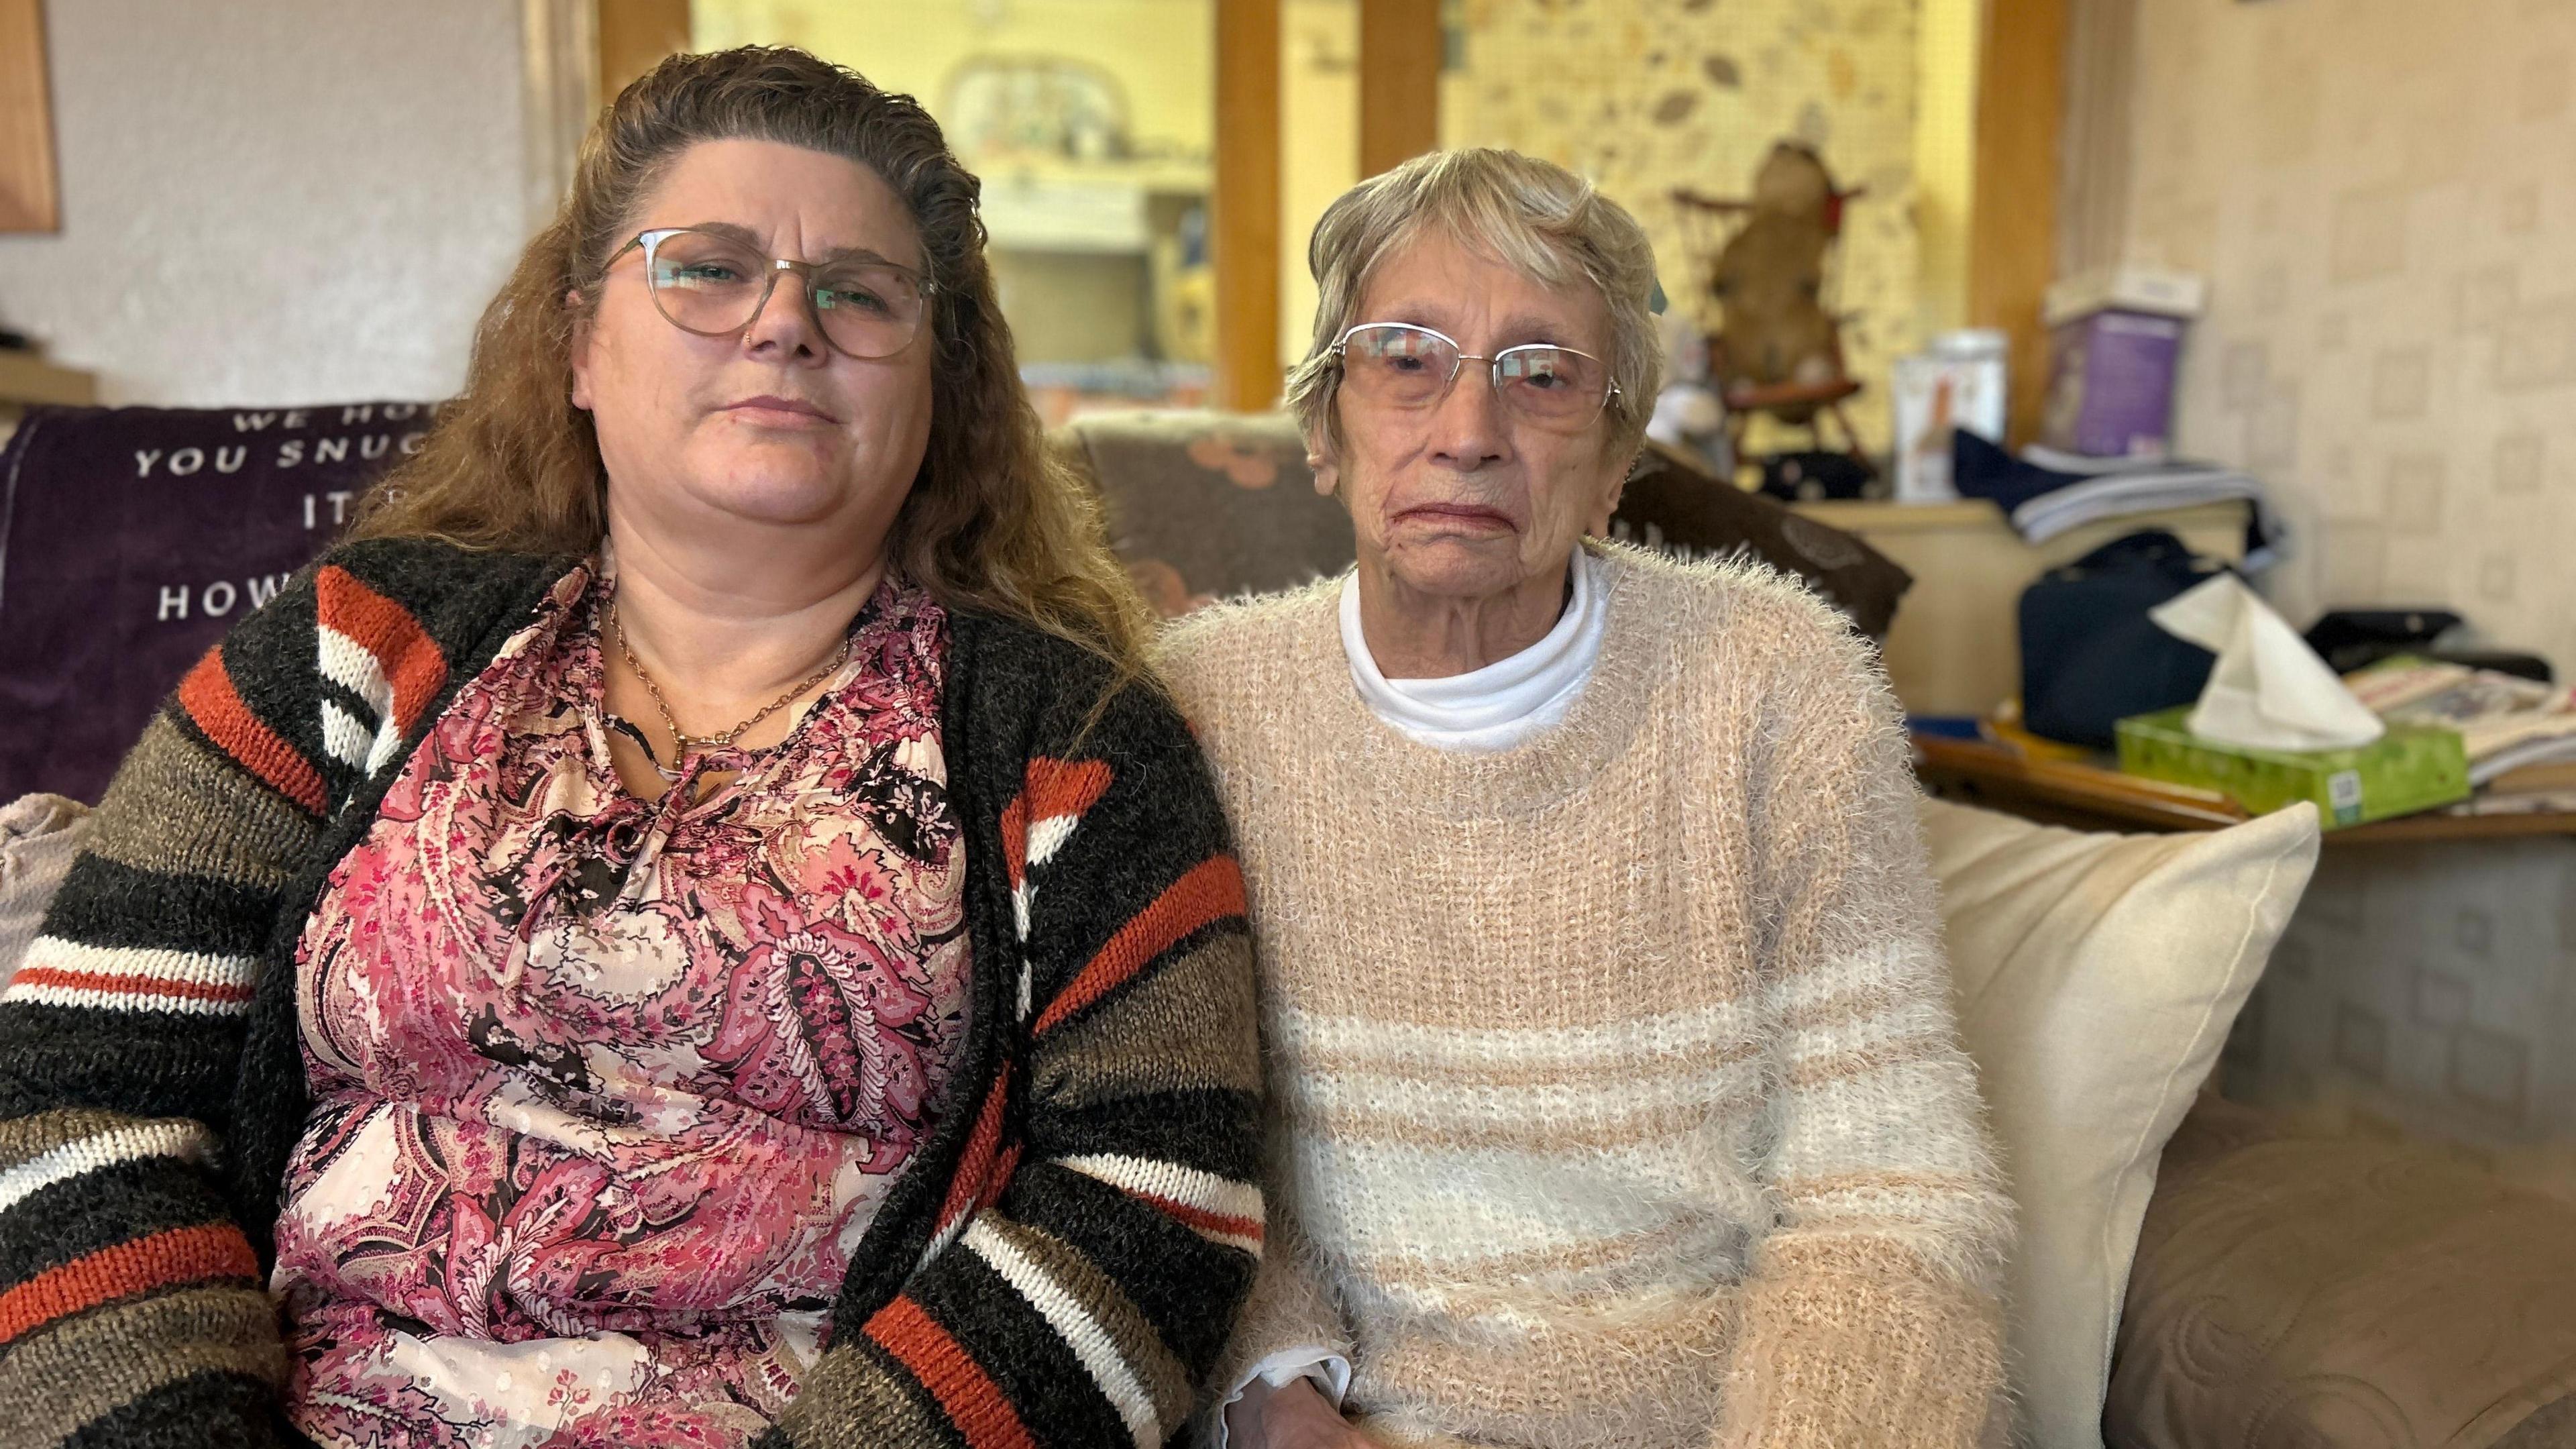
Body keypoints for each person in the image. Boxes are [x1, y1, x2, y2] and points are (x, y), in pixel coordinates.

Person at [0, 48, 1260, 1449]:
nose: (787, 322)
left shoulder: (1080, 751)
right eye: (710, 269)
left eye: (858, 292)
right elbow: (72, 1093)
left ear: (940, 388)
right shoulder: (350, 650)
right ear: (581, 345)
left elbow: (1159, 1200)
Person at [1158, 148, 2015, 1449]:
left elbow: (1888, 1199)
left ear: (1617, 459)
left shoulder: (1779, 688)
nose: (1468, 429)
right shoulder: (1202, 706)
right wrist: (1281, 1406)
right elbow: (1166, 1148)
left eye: (1544, 376)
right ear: (1325, 430)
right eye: (1406, 356)